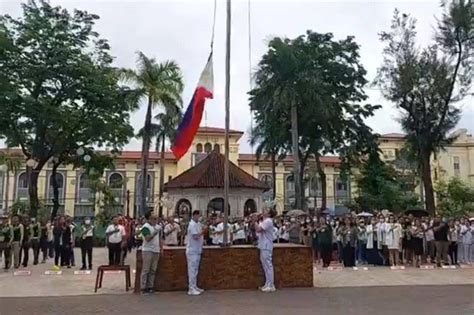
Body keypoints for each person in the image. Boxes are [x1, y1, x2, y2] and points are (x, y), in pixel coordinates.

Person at [140, 213, 163, 294]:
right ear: (149, 219)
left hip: (156, 250)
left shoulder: (157, 227)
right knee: (146, 269)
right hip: (147, 250)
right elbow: (147, 238)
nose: (155, 221)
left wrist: (161, 248)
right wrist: (154, 233)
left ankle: (150, 286)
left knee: (153, 269)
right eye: (154, 219)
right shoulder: (145, 227)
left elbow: (160, 238)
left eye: (156, 219)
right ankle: (143, 287)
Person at [254, 209, 275, 292]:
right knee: (265, 266)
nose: (263, 211)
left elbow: (259, 229)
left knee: (268, 265)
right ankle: (267, 283)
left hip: (267, 245)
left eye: (266, 211)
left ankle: (271, 285)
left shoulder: (268, 221)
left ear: (269, 214)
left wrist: (255, 221)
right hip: (263, 245)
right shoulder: (264, 221)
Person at [186, 210, 205, 296]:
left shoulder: (197, 224)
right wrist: (202, 232)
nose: (200, 217)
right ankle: (191, 288)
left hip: (197, 250)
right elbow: (195, 236)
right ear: (195, 215)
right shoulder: (192, 224)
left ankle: (194, 285)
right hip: (192, 250)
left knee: (195, 270)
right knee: (192, 270)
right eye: (199, 216)